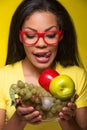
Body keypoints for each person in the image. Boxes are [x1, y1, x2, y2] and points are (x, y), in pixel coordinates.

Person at [0, 0, 87, 130]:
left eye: (51, 35)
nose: (41, 44)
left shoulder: (77, 75)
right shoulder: (3, 76)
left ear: (61, 35)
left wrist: (67, 120)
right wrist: (19, 118)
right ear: (20, 37)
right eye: (30, 35)